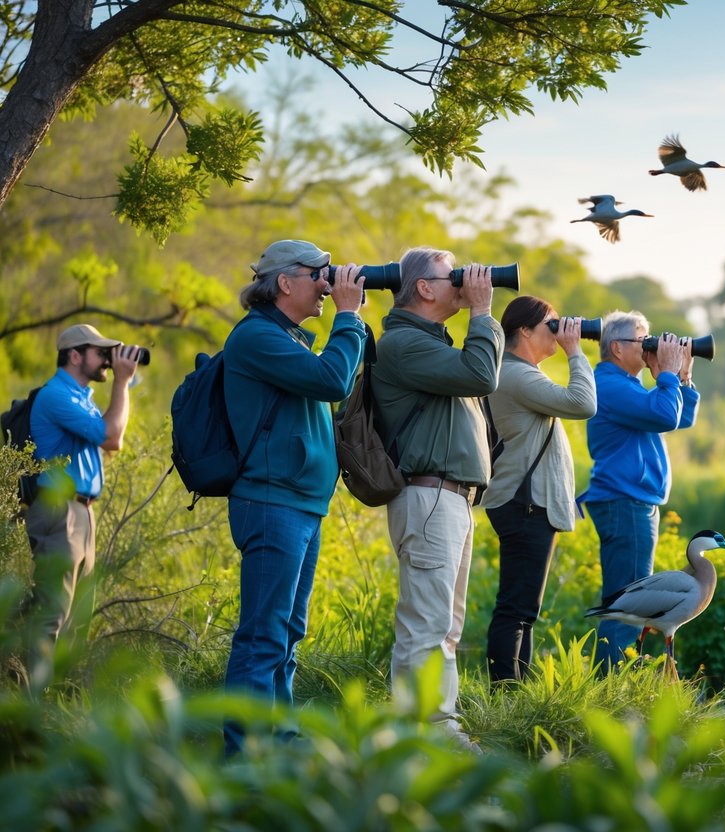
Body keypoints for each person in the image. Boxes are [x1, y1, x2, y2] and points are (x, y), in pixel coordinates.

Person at [222, 240, 366, 757]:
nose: (329, 286)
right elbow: (331, 381)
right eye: (319, 275)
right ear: (285, 282)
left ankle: (278, 745)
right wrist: (348, 316)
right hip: (271, 502)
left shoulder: (290, 339)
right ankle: (243, 758)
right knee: (263, 636)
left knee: (286, 634)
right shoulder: (258, 338)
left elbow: (339, 382)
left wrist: (353, 324)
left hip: (299, 503)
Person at [371, 248, 503, 730]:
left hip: (447, 500)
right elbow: (482, 375)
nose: (464, 283)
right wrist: (484, 311)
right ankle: (435, 730)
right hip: (429, 498)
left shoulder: (430, 342)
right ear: (424, 288)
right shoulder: (404, 343)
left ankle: (415, 728)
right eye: (453, 277)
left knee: (440, 627)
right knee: (428, 626)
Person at [481, 297, 596, 683]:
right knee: (516, 609)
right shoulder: (518, 375)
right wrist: (575, 351)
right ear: (525, 331)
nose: (559, 330)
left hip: (525, 502)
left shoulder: (516, 372)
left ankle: (518, 692)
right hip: (523, 502)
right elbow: (583, 403)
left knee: (523, 610)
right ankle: (505, 693)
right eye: (552, 324)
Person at [579, 312, 697, 668]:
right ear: (616, 347)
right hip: (624, 502)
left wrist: (682, 376)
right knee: (627, 608)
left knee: (628, 603)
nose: (650, 346)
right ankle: (609, 694)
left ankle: (610, 688)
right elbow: (664, 415)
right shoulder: (610, 384)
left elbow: (679, 417)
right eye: (642, 340)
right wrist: (665, 374)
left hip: (632, 502)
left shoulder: (627, 385)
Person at [26, 323, 143, 651]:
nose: (108, 360)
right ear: (75, 356)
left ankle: (60, 698)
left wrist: (122, 380)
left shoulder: (81, 398)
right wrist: (122, 381)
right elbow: (112, 437)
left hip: (82, 513)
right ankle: (33, 698)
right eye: (101, 353)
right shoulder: (56, 395)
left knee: (77, 620)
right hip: (58, 511)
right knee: (52, 614)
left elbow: (109, 440)